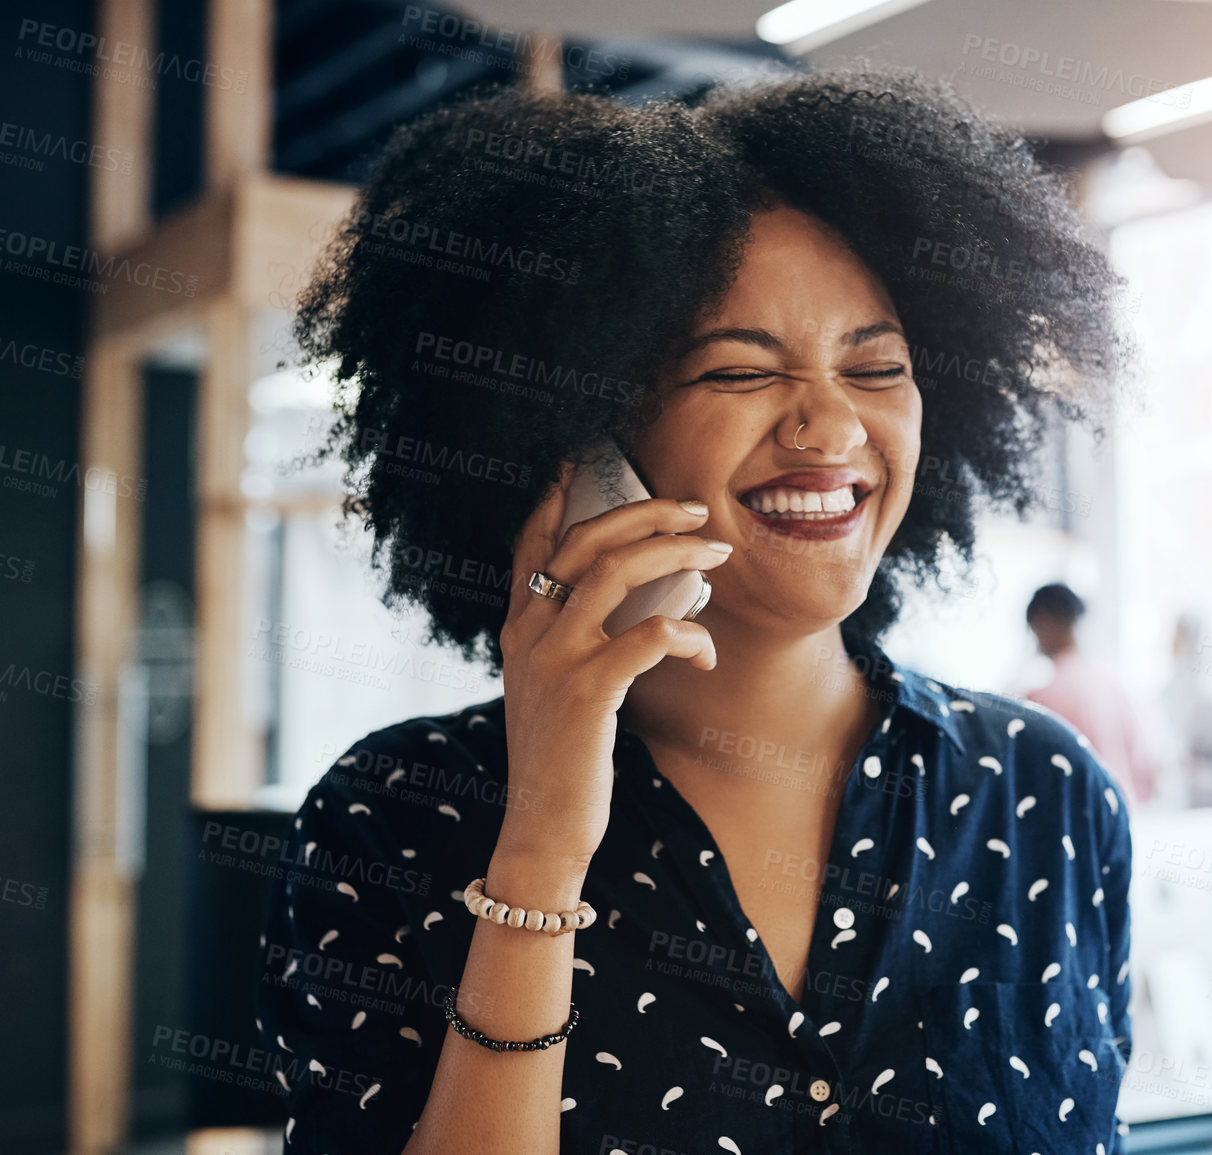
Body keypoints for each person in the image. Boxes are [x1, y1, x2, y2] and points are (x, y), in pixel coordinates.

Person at [258, 66, 1141, 1155]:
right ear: (577, 438)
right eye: (739, 373)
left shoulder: (1043, 794)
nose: (830, 430)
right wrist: (538, 847)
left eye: (876, 368)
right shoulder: (395, 815)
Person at [1023, 584, 1157, 809]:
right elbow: (1146, 773)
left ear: (1043, 620)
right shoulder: (1116, 685)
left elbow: (1034, 782)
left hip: (1075, 830)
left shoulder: (1042, 699)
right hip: (1123, 824)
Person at [1156, 612, 1212, 808]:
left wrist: (1192, 771)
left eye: (1179, 636)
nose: (1172, 644)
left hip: (1208, 818)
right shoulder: (1166, 694)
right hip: (1169, 813)